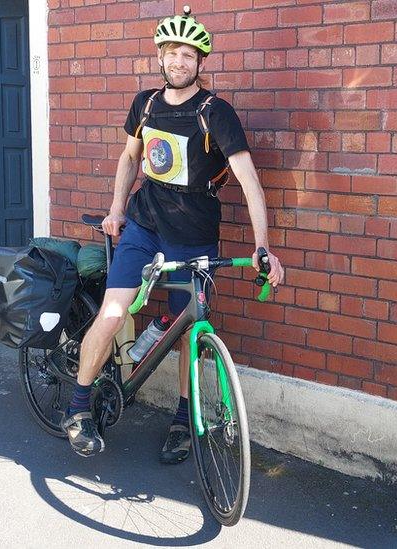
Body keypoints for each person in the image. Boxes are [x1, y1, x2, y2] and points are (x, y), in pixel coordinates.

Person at [61, 7, 284, 460]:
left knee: (189, 332)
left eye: (187, 54)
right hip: (144, 230)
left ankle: (184, 419)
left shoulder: (215, 113)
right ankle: (79, 408)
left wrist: (264, 247)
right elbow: (129, 158)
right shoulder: (145, 104)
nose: (178, 62)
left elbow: (249, 181)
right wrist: (116, 210)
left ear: (200, 62)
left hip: (194, 239)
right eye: (171, 53)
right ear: (160, 58)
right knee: (111, 314)